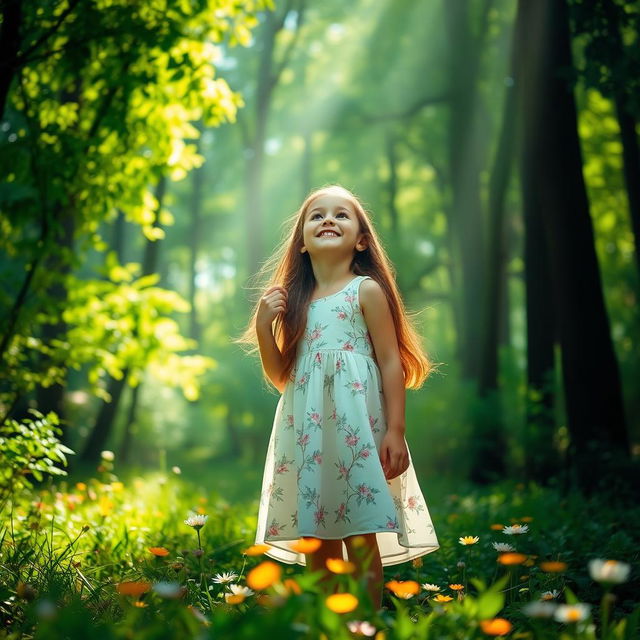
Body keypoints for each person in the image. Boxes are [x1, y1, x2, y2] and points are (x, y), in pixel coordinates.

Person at [235, 184, 439, 610]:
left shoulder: (365, 291)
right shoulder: (296, 303)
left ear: (361, 240)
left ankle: (367, 621)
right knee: (317, 532)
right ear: (302, 243)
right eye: (317, 215)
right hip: (308, 433)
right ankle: (329, 624)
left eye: (341, 215)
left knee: (359, 528)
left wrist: (396, 432)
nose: (328, 220)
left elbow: (389, 362)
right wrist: (262, 326)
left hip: (357, 430)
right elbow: (282, 378)